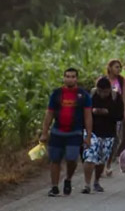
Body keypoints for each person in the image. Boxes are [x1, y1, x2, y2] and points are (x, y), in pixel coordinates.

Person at [40, 68, 93, 197]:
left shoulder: (83, 95)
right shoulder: (56, 94)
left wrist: (88, 136)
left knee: (71, 158)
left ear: (76, 79)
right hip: (57, 131)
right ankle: (54, 187)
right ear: (64, 78)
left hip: (75, 132)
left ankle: (68, 179)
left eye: (73, 76)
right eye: (67, 76)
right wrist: (44, 132)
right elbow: (49, 113)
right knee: (55, 159)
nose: (70, 79)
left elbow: (88, 116)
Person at [81, 77, 123, 194]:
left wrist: (107, 112)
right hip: (92, 131)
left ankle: (96, 180)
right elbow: (83, 111)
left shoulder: (116, 97)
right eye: (100, 91)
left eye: (105, 92)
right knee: (89, 156)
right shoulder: (91, 95)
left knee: (101, 160)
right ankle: (87, 184)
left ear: (109, 89)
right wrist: (93, 112)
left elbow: (120, 115)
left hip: (108, 132)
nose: (102, 94)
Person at [100, 59, 125, 177]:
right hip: (102, 115)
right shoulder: (102, 80)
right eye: (116, 67)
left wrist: (123, 112)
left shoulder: (122, 81)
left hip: (115, 115)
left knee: (113, 140)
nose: (118, 70)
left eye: (120, 67)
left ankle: (108, 164)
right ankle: (100, 164)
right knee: (101, 139)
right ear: (110, 68)